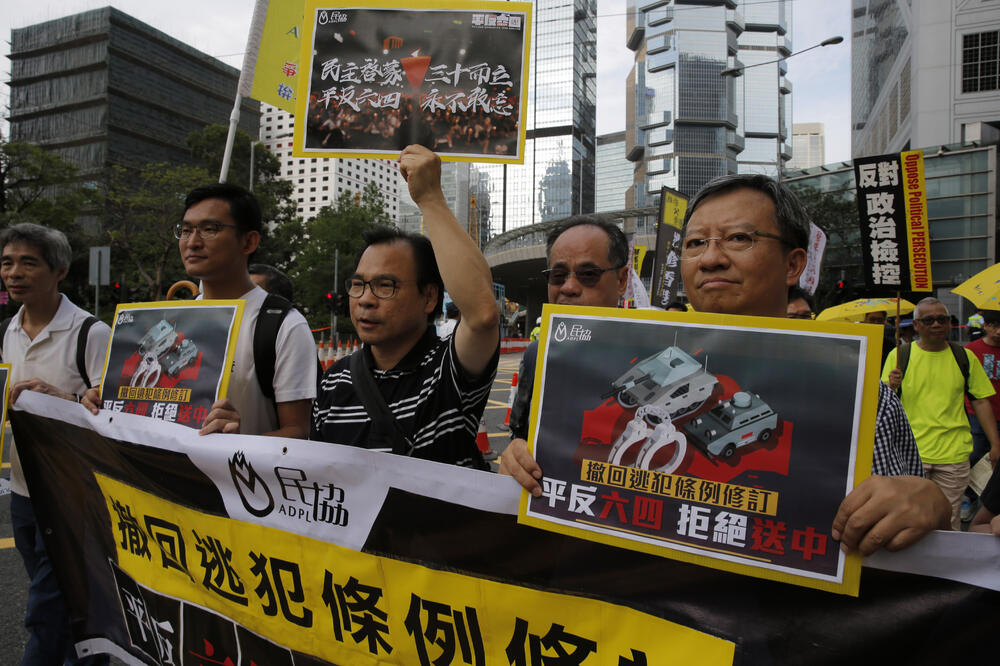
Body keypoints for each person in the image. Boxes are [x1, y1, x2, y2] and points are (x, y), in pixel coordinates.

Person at [310, 145, 499, 467]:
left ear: (428, 298)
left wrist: (430, 199)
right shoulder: (335, 380)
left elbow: (482, 315)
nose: (366, 299)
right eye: (358, 284)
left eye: (386, 285)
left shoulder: (447, 368)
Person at [84, 183, 318, 438]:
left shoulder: (282, 325)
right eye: (185, 230)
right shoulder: (174, 321)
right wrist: (104, 400)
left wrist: (233, 443)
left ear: (249, 241)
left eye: (209, 229)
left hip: (234, 477)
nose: (192, 242)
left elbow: (297, 432)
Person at [1, 223, 112, 666]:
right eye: (7, 262)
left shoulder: (91, 333)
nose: (14, 273)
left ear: (59, 270)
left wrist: (62, 398)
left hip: (74, 496)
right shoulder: (6, 332)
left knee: (44, 614)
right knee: (65, 606)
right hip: (24, 491)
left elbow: (114, 417)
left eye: (29, 262)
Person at [501, 217, 629, 487]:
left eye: (588, 274)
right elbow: (521, 433)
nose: (569, 288)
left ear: (621, 280)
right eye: (558, 276)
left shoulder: (654, 352)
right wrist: (515, 457)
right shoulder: (537, 354)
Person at [884, 297, 1000, 529]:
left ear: (949, 323)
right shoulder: (899, 356)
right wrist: (891, 385)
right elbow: (884, 402)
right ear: (916, 325)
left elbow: (980, 402)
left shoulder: (964, 357)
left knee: (949, 520)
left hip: (954, 456)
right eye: (929, 320)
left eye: (942, 319)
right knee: (911, 518)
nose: (936, 324)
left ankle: (945, 565)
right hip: (911, 453)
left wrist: (995, 445)